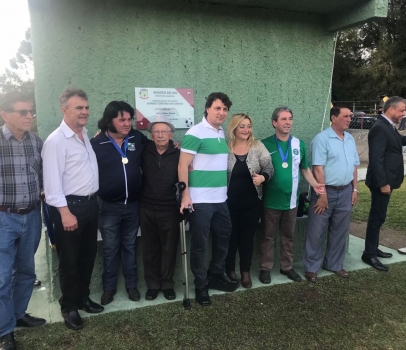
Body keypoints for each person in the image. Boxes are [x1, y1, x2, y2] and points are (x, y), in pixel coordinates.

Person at [42, 88, 103, 331]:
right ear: (64, 110)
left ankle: (83, 298)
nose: (85, 112)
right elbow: (52, 182)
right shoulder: (56, 141)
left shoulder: (84, 135)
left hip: (90, 204)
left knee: (88, 256)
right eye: (79, 108)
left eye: (86, 107)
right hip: (69, 208)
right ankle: (69, 307)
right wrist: (65, 213)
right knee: (69, 261)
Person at [179, 92, 237, 306]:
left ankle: (215, 274)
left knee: (223, 237)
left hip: (220, 199)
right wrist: (185, 196)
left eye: (224, 109)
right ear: (207, 109)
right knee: (200, 245)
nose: (221, 112)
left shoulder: (222, 133)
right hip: (200, 201)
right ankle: (201, 286)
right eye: (217, 108)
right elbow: (182, 165)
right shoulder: (196, 132)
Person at [91, 101, 149, 305]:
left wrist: (173, 145)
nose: (127, 123)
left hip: (133, 205)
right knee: (110, 248)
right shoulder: (96, 144)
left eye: (129, 119)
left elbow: (154, 151)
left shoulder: (136, 137)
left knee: (130, 246)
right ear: (109, 121)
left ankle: (132, 286)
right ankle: (108, 288)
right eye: (121, 119)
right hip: (108, 208)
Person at [0, 91, 46, 350]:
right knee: (3, 277)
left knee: (27, 270)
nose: (29, 116)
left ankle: (18, 315)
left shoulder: (35, 143)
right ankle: (5, 331)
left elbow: (42, 174)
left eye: (31, 111)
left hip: (31, 216)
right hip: (3, 218)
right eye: (23, 112)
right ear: (5, 115)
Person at [259, 106, 324, 285]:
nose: (288, 122)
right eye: (283, 119)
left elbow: (305, 169)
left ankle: (286, 267)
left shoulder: (299, 144)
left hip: (291, 202)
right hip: (270, 202)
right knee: (267, 236)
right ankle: (265, 267)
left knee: (288, 237)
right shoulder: (264, 144)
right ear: (274, 122)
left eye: (290, 119)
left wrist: (315, 184)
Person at [303, 105, 360, 282]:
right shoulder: (322, 139)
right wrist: (322, 194)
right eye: (345, 116)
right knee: (316, 231)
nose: (349, 119)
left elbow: (354, 166)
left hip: (345, 192)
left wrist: (355, 189)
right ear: (333, 118)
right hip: (325, 192)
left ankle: (334, 264)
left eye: (350, 116)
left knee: (340, 231)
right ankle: (311, 267)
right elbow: (317, 168)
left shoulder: (350, 139)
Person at [225, 113, 273, 288]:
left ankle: (245, 272)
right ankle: (229, 271)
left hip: (252, 203)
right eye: (242, 126)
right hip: (229, 204)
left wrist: (263, 178)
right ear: (234, 128)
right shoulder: (225, 147)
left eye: (248, 126)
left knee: (246, 239)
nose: (246, 130)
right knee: (230, 238)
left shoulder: (257, 146)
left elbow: (270, 169)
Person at [362, 96, 406, 271]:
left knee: (379, 216)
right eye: (402, 110)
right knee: (377, 217)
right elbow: (376, 159)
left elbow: (399, 142)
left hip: (387, 180)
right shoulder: (380, 127)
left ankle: (373, 248)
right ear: (391, 109)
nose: (404, 114)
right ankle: (369, 254)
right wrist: (383, 183)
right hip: (382, 182)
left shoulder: (388, 125)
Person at [140, 115, 180, 301]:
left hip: (170, 209)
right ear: (151, 136)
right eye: (156, 132)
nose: (160, 135)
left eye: (164, 131)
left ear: (171, 135)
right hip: (147, 207)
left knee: (169, 248)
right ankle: (153, 285)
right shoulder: (144, 149)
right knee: (150, 249)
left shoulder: (179, 152)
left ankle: (167, 284)